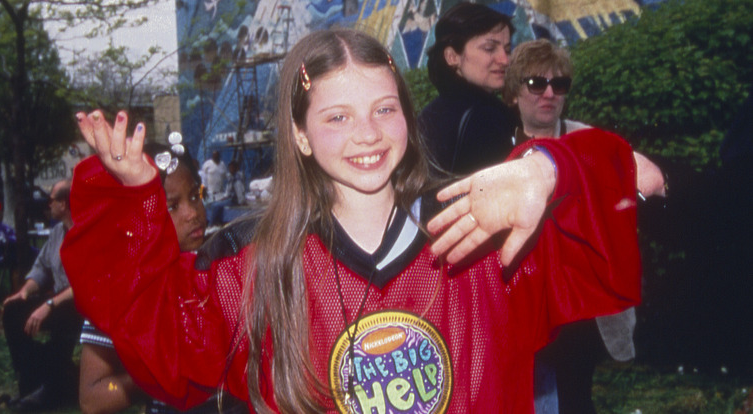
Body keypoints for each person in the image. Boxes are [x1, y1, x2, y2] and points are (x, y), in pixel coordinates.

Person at [63, 28, 642, 413]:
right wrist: (134, 198)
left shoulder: (476, 235)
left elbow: (637, 182)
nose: (366, 134)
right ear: (300, 134)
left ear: (407, 120)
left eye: (384, 110)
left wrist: (546, 169)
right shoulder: (252, 266)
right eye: (337, 116)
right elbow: (162, 342)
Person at [501, 39, 666, 414]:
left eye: (559, 85)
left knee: (575, 398)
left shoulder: (590, 141)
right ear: (514, 93)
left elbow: (628, 206)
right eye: (535, 84)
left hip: (579, 307)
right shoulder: (496, 151)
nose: (548, 94)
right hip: (524, 301)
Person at [78, 142, 214, 414]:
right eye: (172, 206)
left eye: (194, 196)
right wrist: (165, 372)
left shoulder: (225, 267)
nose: (192, 213)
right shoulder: (120, 292)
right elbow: (93, 397)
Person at [1, 179, 83, 412]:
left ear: (64, 204)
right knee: (13, 311)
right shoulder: (57, 233)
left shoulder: (86, 232)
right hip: (57, 300)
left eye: (52, 199)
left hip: (81, 303)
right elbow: (42, 268)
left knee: (62, 317)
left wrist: (49, 304)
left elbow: (86, 283)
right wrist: (25, 292)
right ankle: (31, 384)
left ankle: (53, 385)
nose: (48, 204)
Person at [418, 2, 518, 174]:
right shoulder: (488, 117)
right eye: (489, 48)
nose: (504, 60)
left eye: (507, 50)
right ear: (452, 57)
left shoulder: (429, 115)